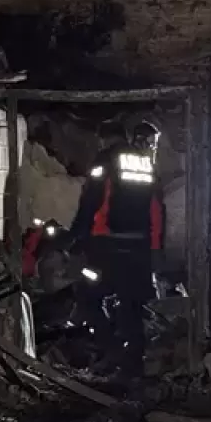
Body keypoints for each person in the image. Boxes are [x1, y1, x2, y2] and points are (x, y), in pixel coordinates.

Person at [69, 118, 166, 383]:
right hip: (138, 248)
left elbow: (91, 202)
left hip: (107, 246)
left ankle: (112, 351)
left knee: (87, 296)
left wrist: (76, 238)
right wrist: (155, 249)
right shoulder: (145, 163)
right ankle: (133, 365)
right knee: (130, 306)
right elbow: (157, 210)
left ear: (103, 138)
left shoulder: (105, 160)